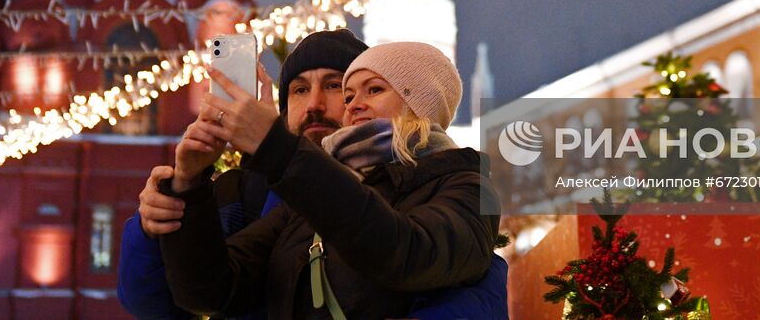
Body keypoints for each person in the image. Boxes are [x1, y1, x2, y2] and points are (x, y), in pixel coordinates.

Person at [117, 30, 507, 319]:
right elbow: (208, 291)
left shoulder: (464, 184)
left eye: (371, 89)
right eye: (350, 94)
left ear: (419, 104)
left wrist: (276, 149)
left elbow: (404, 252)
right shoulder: (297, 206)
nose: (352, 106)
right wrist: (188, 185)